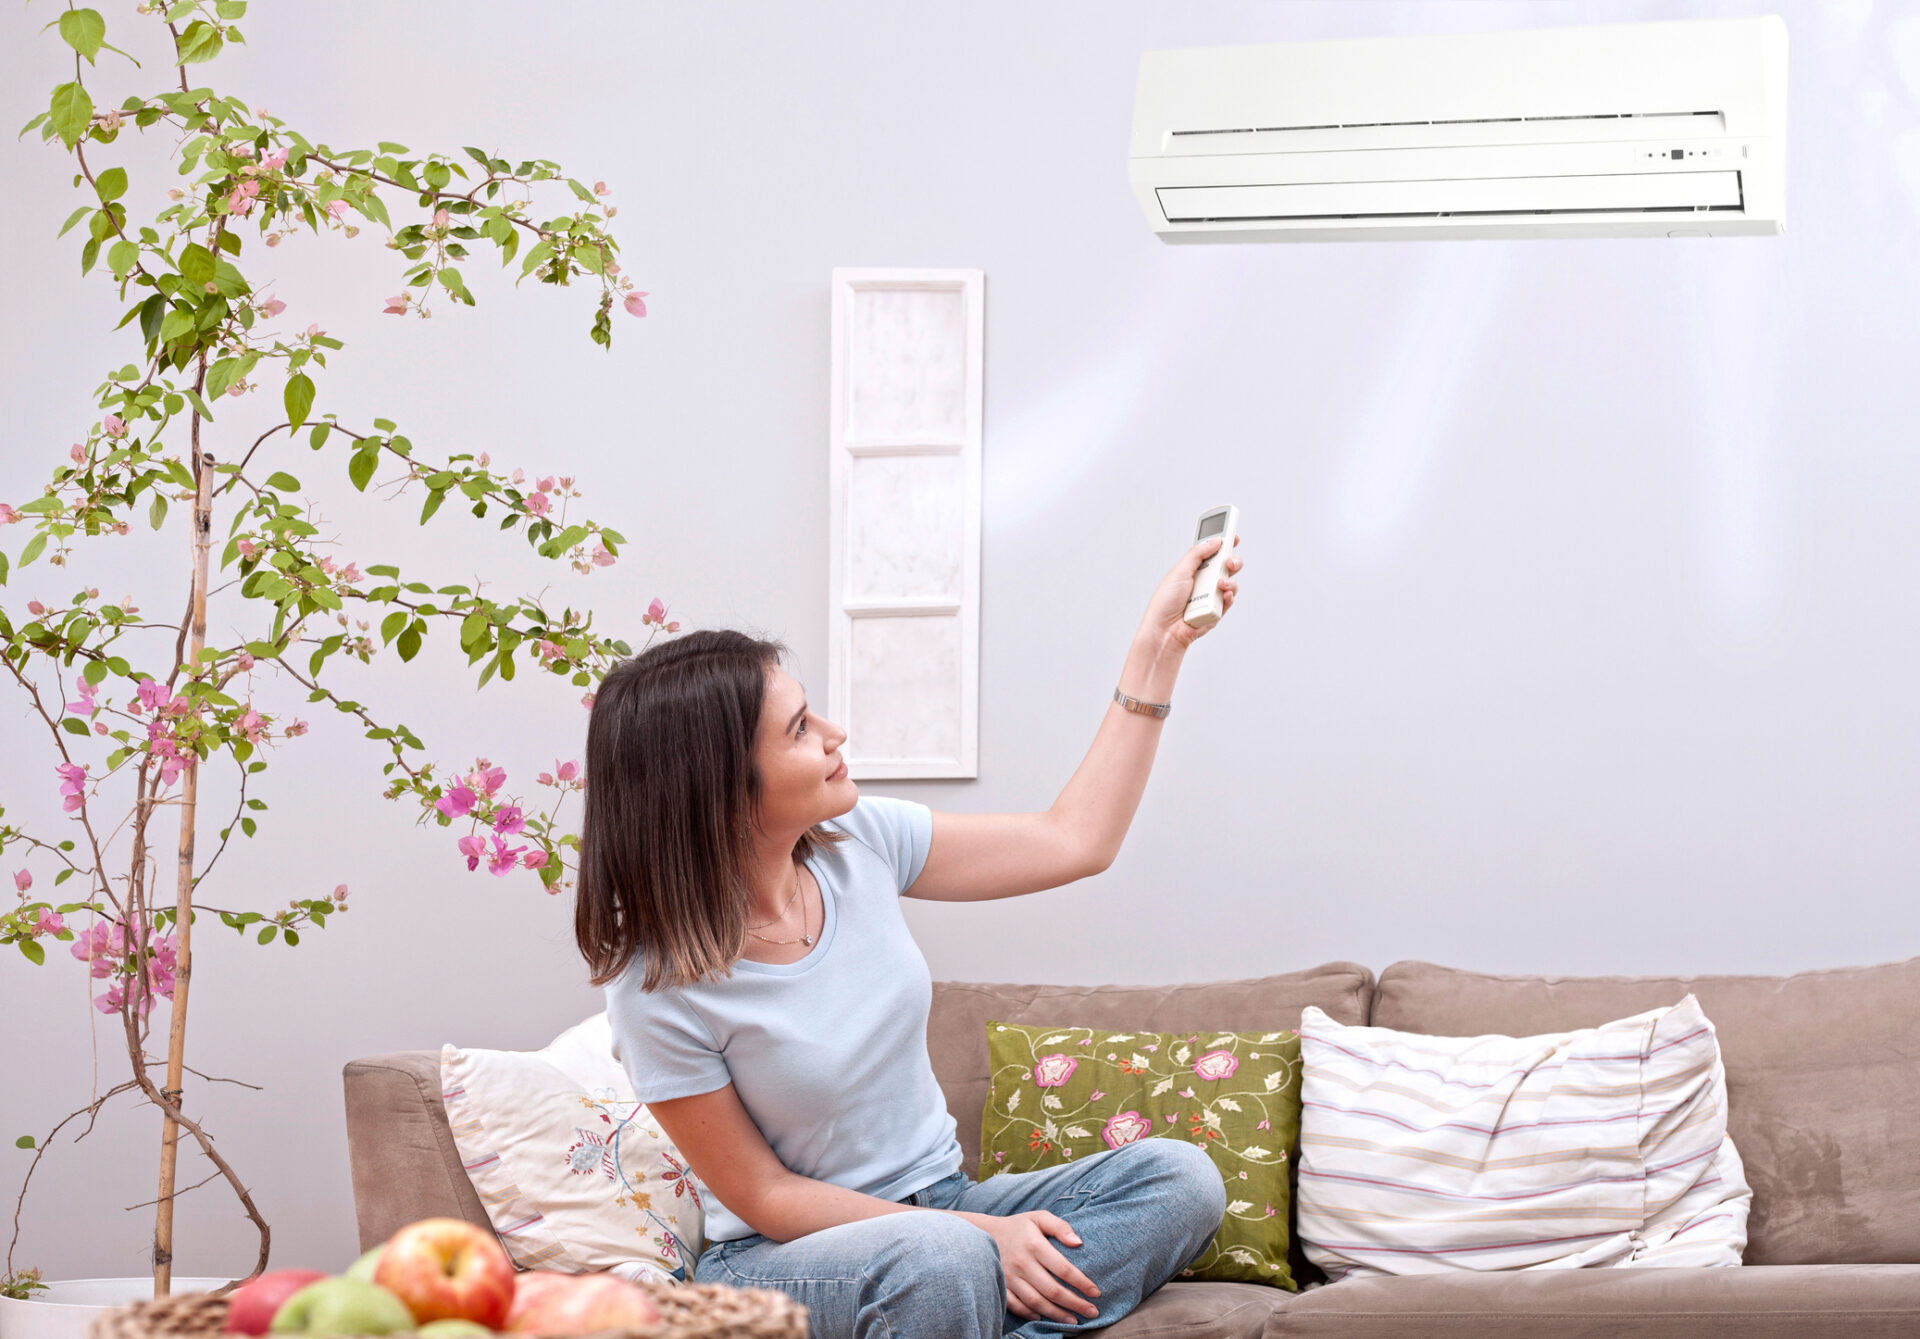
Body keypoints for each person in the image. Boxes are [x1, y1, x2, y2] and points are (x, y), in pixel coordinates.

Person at [578, 531, 1244, 1337]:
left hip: (946, 1202)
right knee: (941, 1264)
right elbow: (765, 1196)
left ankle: (953, 1314)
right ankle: (952, 1299)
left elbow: (1077, 839)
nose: (834, 732)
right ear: (719, 788)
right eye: (797, 729)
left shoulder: (863, 840)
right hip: (791, 1253)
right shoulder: (656, 984)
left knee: (1181, 1178)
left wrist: (1158, 645)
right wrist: (977, 1238)